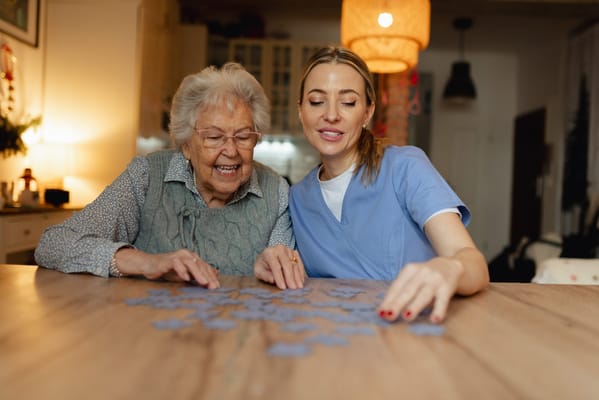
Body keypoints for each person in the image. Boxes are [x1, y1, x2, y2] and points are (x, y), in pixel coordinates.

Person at [256, 46, 489, 323]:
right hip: (335, 346)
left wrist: (450, 268)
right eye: (317, 101)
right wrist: (269, 263)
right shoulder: (297, 198)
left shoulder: (407, 168)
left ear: (368, 112)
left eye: (348, 102)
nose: (331, 114)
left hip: (416, 333)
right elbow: (296, 276)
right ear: (300, 111)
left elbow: (474, 264)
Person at [35, 62, 305, 290]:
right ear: (186, 144)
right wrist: (146, 262)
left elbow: (281, 268)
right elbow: (54, 244)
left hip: (240, 337)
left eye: (243, 137)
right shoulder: (147, 177)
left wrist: (275, 267)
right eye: (214, 137)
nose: (231, 151)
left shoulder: (275, 191)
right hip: (150, 334)